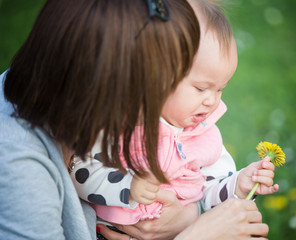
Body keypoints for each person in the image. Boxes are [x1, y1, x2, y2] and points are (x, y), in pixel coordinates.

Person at [0, 0, 269, 240]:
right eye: (158, 86)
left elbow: (198, 183)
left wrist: (187, 219)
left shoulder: (74, 99)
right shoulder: (17, 165)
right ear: (109, 84)